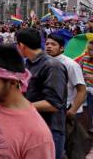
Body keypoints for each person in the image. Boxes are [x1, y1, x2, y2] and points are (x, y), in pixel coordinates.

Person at [16, 28, 68, 159]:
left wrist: (21, 106)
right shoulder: (28, 64)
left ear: (21, 46)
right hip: (33, 124)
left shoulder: (52, 66)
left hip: (50, 129)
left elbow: (53, 103)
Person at [45, 34, 86, 117]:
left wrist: (72, 111)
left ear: (61, 48)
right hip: (49, 107)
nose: (49, 46)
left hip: (66, 109)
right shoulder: (44, 62)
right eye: (47, 44)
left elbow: (82, 90)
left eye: (53, 44)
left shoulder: (71, 65)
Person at [80, 39, 93, 132]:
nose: (90, 52)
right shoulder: (84, 59)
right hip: (88, 90)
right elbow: (79, 71)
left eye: (92, 50)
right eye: (89, 49)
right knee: (90, 109)